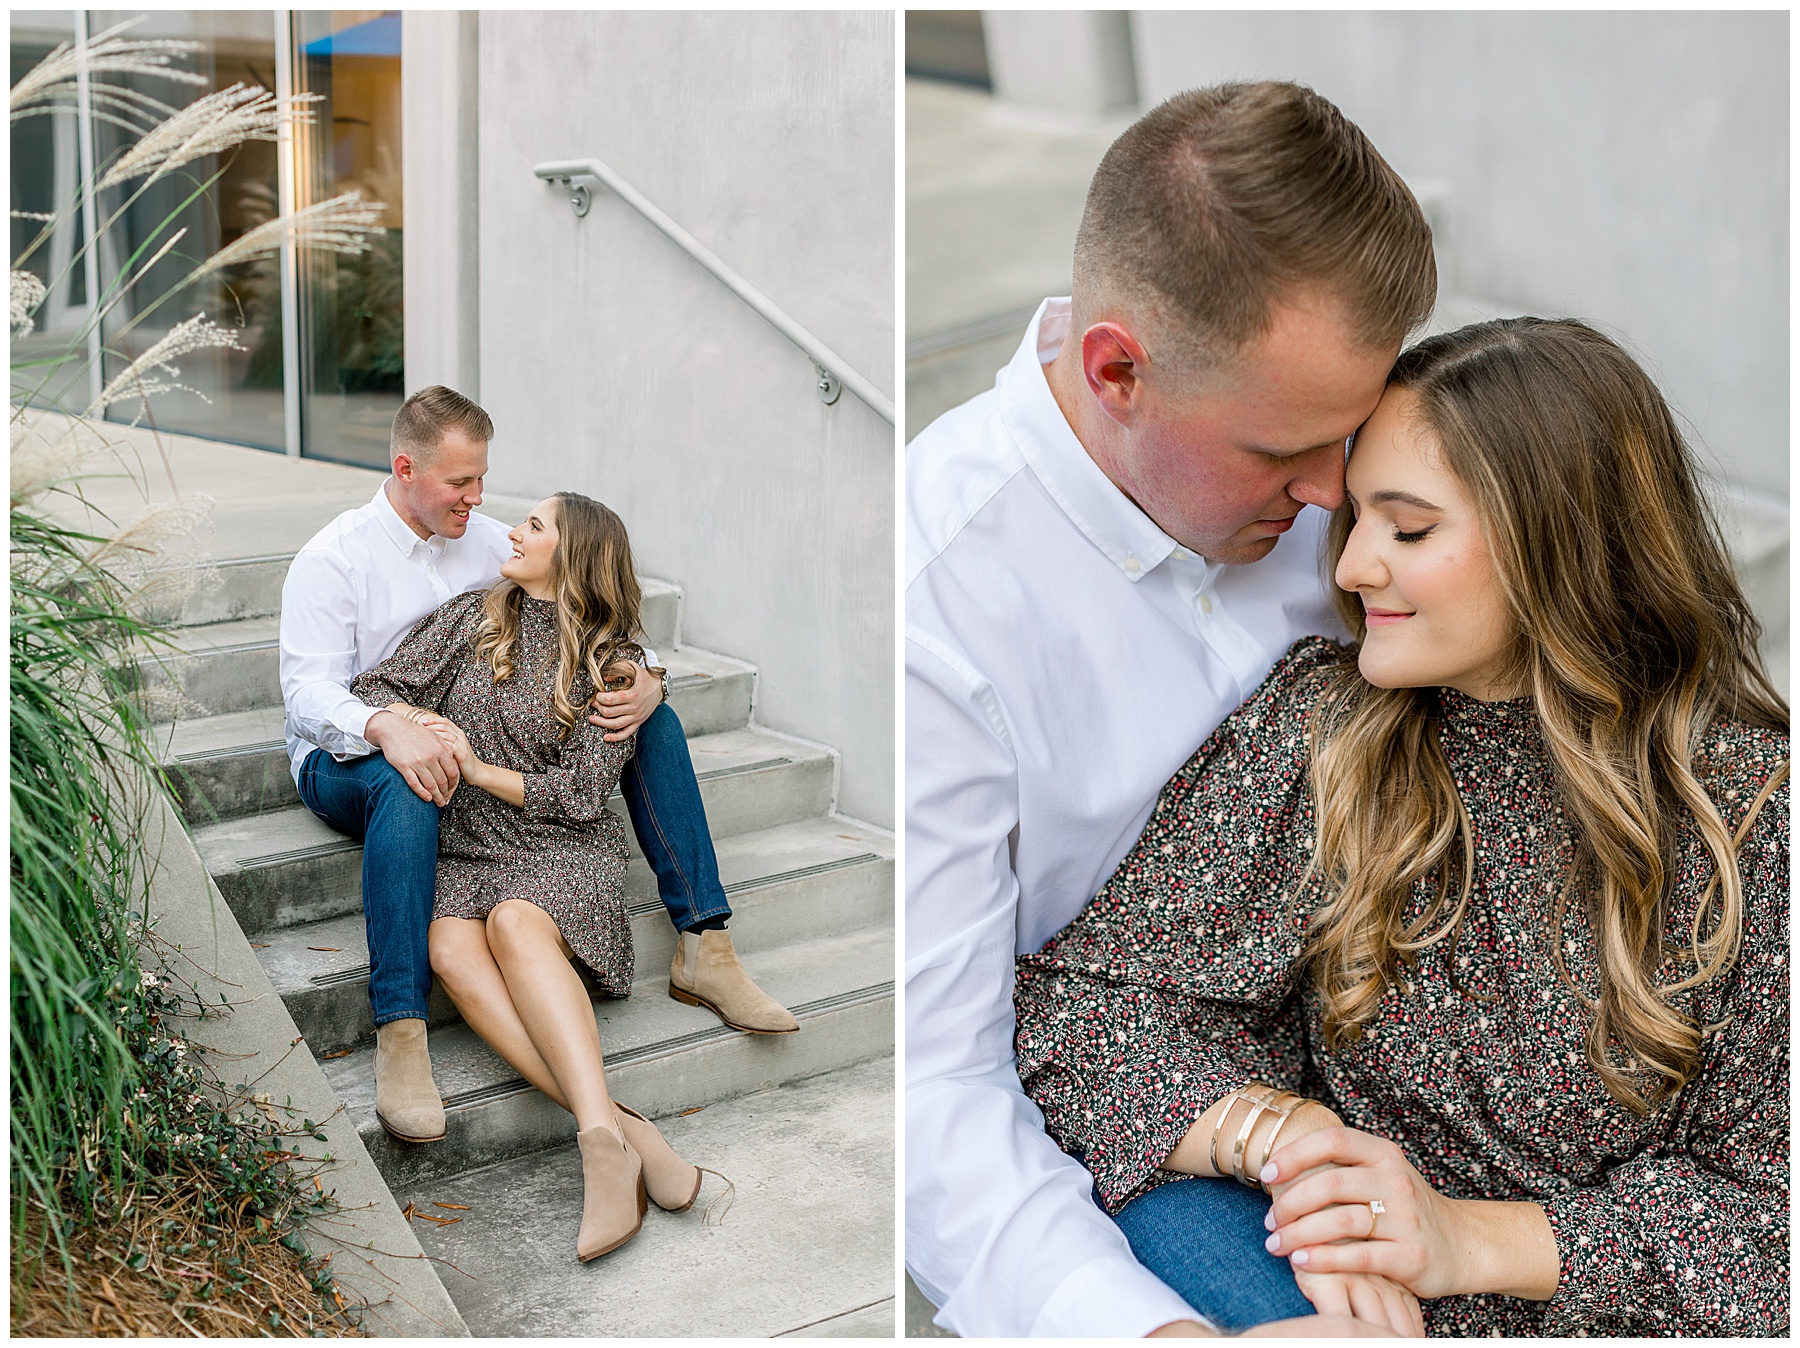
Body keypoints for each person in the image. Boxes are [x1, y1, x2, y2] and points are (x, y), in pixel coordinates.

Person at [1013, 317, 1789, 1336]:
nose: (1350, 568)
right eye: (1360, 519)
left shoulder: (1753, 818)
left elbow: (1774, 1234)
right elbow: (1086, 1005)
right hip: (1315, 1278)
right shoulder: (1329, 727)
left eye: (1408, 529)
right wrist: (1294, 1151)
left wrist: (1464, 1237)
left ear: (1556, 545)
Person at [905, 82, 1435, 1335]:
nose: (1333, 498)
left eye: (1350, 436)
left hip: (1411, 1061)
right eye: (1281, 451)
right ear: (1118, 371)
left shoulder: (1343, 472)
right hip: (1138, 1105)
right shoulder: (938, 611)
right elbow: (941, 1081)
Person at [279, 387, 796, 1150]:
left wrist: (648, 675)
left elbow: (589, 605)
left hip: (467, 761)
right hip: (344, 756)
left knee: (650, 720)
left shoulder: (484, 540)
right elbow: (307, 693)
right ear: (406, 468)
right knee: (406, 780)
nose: (478, 498)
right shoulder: (335, 558)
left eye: (482, 479)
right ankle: (400, 1028)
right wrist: (394, 727)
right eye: (460, 482)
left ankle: (704, 940)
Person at [350, 492, 706, 1259]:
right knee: (447, 948)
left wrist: (476, 767)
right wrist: (423, 727)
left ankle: (598, 1149)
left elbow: (580, 796)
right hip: (468, 847)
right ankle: (620, 1127)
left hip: (558, 848)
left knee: (514, 921)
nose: (513, 530)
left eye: (535, 525)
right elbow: (375, 689)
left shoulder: (615, 665)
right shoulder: (471, 616)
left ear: (574, 555)